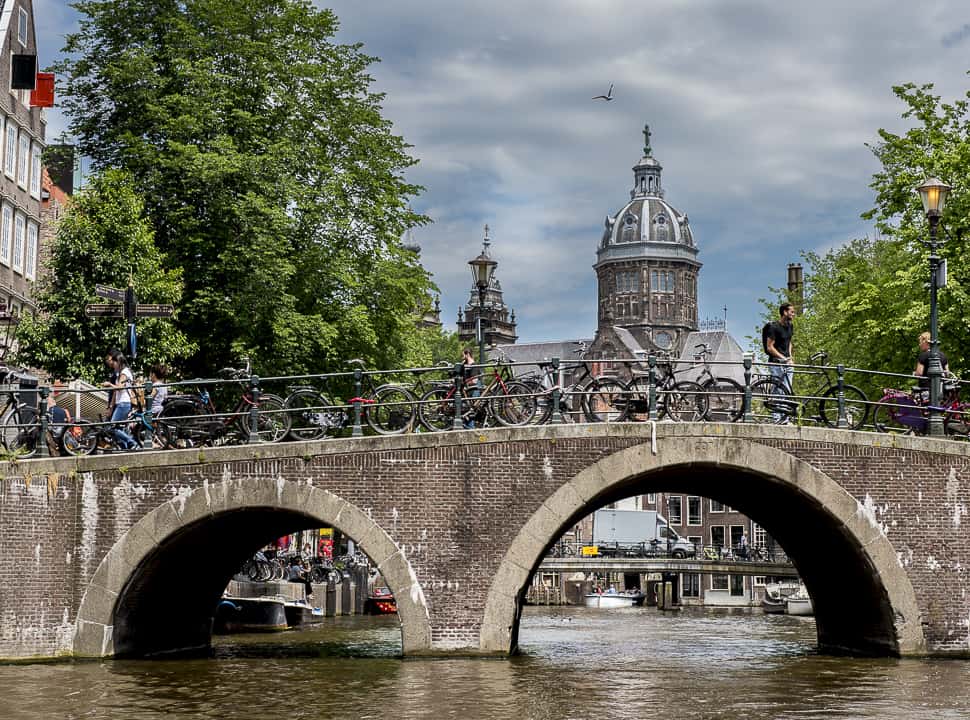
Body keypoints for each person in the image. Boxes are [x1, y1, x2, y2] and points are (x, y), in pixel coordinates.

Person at [765, 303, 796, 424]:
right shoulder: (774, 327)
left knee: (787, 390)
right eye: (792, 312)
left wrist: (790, 357)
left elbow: (789, 342)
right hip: (776, 363)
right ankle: (777, 418)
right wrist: (783, 358)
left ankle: (784, 417)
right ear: (785, 312)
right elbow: (769, 347)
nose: (793, 314)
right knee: (778, 391)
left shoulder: (790, 326)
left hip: (787, 363)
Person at [102, 350, 138, 450]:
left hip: (124, 403)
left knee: (112, 427)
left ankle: (132, 443)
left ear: (117, 361)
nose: (112, 365)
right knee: (117, 428)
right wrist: (111, 407)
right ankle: (126, 447)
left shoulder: (125, 372)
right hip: (120, 403)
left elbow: (119, 388)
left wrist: (109, 384)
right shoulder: (120, 373)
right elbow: (115, 392)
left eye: (113, 363)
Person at [460, 347, 482, 429]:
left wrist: (463, 382)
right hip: (469, 389)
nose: (461, 357)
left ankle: (470, 428)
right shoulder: (465, 365)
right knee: (467, 408)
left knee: (471, 409)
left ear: (467, 354)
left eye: (463, 355)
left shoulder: (474, 365)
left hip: (474, 390)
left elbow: (474, 381)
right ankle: (468, 427)